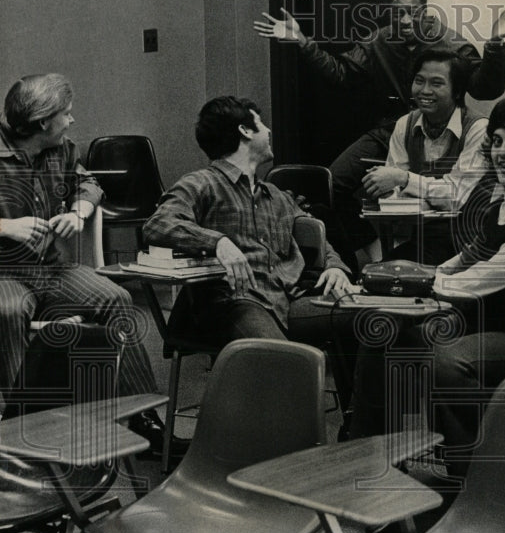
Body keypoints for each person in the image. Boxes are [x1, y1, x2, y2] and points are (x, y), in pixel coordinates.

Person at [348, 99, 505, 470]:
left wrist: (406, 285)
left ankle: (469, 479)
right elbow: (459, 264)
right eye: (498, 141)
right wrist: (395, 285)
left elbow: (473, 283)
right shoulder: (504, 204)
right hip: (482, 327)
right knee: (383, 330)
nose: (503, 152)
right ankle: (370, 462)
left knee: (448, 361)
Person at [253, 0, 505, 261]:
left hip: (446, 130)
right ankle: (373, 253)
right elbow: (340, 73)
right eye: (397, 13)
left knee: (451, 194)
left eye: (414, 12)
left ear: (426, 12)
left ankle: (442, 255)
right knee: (331, 183)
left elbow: (486, 88)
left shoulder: (451, 43)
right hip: (393, 128)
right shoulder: (378, 41)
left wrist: (495, 45)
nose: (406, 20)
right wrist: (304, 43)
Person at [0, 73, 175, 454]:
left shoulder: (62, 149)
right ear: (43, 121)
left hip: (52, 271)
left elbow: (90, 184)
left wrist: (79, 212)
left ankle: (143, 419)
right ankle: (14, 429)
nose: (72, 119)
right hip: (4, 275)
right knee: (7, 310)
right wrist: (6, 226)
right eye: (66, 113)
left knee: (116, 299)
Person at [142, 96, 357, 346]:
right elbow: (157, 224)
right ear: (244, 130)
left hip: (287, 300)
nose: (268, 130)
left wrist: (335, 267)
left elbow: (319, 241)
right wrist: (218, 242)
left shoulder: (276, 195)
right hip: (233, 301)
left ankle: (354, 386)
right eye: (261, 123)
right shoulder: (201, 183)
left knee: (378, 319)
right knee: (281, 359)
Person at [360, 48, 489, 265]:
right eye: (419, 81)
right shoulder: (406, 124)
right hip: (426, 241)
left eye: (436, 83)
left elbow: (455, 197)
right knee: (381, 272)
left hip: (472, 243)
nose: (424, 91)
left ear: (457, 92)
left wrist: (404, 179)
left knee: (393, 274)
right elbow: (392, 194)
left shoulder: (478, 129)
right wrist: (390, 187)